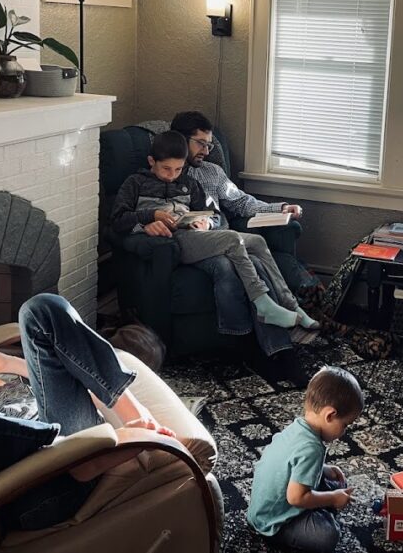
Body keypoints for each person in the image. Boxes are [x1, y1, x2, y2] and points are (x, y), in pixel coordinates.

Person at [0, 292, 172, 530]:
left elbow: (76, 387)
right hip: (37, 486)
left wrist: (14, 365)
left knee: (40, 306)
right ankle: (65, 450)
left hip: (78, 438)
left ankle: (136, 416)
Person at [110, 131, 318, 331]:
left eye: (178, 169)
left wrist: (205, 223)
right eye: (166, 169)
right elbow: (117, 220)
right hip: (173, 241)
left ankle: (292, 305)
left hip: (195, 235)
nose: (172, 176)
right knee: (232, 240)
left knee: (257, 242)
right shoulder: (135, 183)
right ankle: (262, 303)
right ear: (151, 161)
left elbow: (211, 213)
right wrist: (151, 216)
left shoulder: (190, 184)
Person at [247, 366, 363, 552]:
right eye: (345, 425)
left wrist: (324, 469)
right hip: (274, 523)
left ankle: (323, 502)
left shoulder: (298, 428)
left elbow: (293, 461)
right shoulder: (312, 448)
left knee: (338, 483)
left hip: (262, 509)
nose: (344, 432)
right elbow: (296, 498)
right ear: (330, 415)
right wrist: (332, 499)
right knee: (328, 536)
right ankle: (320, 511)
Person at [170, 110, 302, 224]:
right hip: (192, 239)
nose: (206, 152)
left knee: (256, 246)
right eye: (201, 143)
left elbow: (240, 202)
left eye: (208, 145)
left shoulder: (213, 172)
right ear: (180, 139)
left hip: (220, 234)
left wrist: (281, 208)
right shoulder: (162, 175)